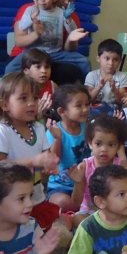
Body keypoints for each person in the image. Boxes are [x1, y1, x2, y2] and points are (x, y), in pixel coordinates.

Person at [0, 72, 61, 231]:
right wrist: (33, 161)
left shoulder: (39, 128)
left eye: (35, 98)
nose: (32, 103)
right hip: (8, 201)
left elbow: (45, 157)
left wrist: (49, 164)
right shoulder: (0, 130)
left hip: (35, 197)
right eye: (23, 98)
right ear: (5, 105)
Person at [5, 0, 90, 77]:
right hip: (32, 53)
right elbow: (21, 33)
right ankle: (5, 91)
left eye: (71, 0)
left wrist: (69, 26)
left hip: (55, 53)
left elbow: (72, 33)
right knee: (10, 69)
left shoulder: (64, 13)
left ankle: (88, 88)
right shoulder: (30, 9)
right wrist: (33, 23)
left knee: (83, 62)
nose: (66, 2)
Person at [70, 114, 127, 225]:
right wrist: (78, 182)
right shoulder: (85, 166)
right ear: (90, 143)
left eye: (111, 144)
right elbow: (76, 203)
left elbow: (125, 199)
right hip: (88, 211)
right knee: (79, 220)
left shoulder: (119, 167)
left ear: (118, 146)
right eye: (98, 143)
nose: (104, 149)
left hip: (114, 211)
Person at [46, 84, 91, 213]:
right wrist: (58, 139)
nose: (85, 109)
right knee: (62, 202)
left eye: (87, 104)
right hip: (61, 185)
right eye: (79, 106)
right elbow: (54, 161)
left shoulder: (87, 127)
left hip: (86, 183)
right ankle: (81, 209)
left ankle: (82, 209)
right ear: (62, 111)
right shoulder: (54, 132)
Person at [85, 38, 127, 114]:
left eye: (115, 59)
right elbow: (89, 99)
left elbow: (121, 101)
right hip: (95, 108)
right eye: (107, 58)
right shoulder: (91, 75)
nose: (111, 63)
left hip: (114, 108)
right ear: (98, 58)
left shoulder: (122, 76)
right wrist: (99, 87)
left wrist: (114, 89)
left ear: (120, 61)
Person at [20, 48, 57, 120]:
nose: (43, 71)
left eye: (47, 67)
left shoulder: (52, 85)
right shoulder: (22, 88)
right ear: (26, 71)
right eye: (38, 67)